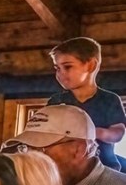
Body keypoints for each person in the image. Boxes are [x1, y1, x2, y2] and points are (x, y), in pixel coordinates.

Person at [47, 36, 125, 169]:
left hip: (103, 167)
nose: (60, 74)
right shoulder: (56, 101)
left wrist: (97, 132)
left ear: (91, 65)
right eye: (57, 68)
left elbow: (118, 132)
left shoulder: (109, 99)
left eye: (67, 67)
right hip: (65, 168)